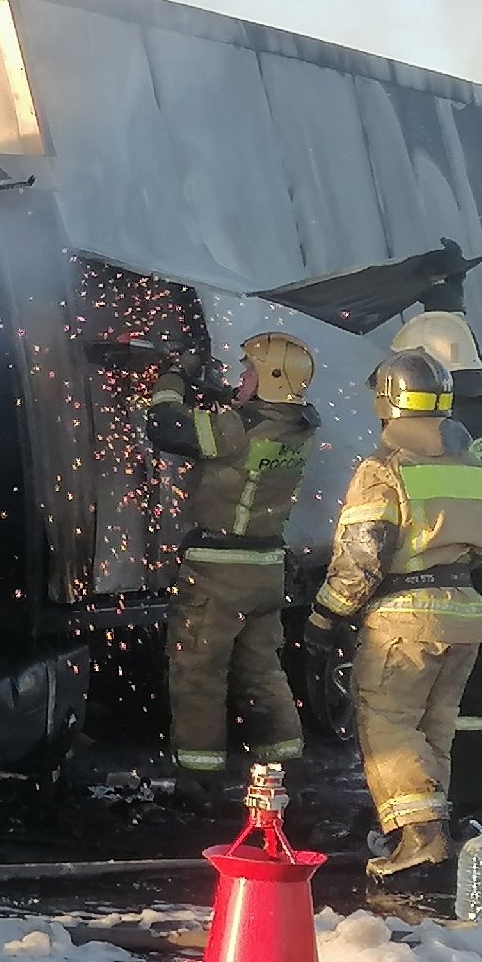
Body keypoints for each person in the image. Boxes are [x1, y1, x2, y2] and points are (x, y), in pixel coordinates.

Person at [303, 350, 482, 883]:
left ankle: (421, 838)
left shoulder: (384, 469)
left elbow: (363, 557)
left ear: (388, 400)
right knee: (434, 729)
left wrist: (325, 617)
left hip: (404, 618)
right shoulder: (476, 467)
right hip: (464, 616)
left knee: (387, 724)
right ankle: (430, 830)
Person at [146, 330, 320, 807]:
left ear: (271, 380)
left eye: (249, 371)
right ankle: (283, 773)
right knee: (263, 671)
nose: (240, 377)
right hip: (266, 569)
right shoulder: (296, 425)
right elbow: (241, 416)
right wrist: (222, 393)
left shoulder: (236, 429)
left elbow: (165, 425)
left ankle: (198, 784)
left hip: (218, 572)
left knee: (199, 670)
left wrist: (174, 375)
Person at [391, 310, 482, 827]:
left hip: (448, 572)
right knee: (478, 694)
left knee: (431, 701)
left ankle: (440, 809)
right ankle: (481, 806)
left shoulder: (445, 427)